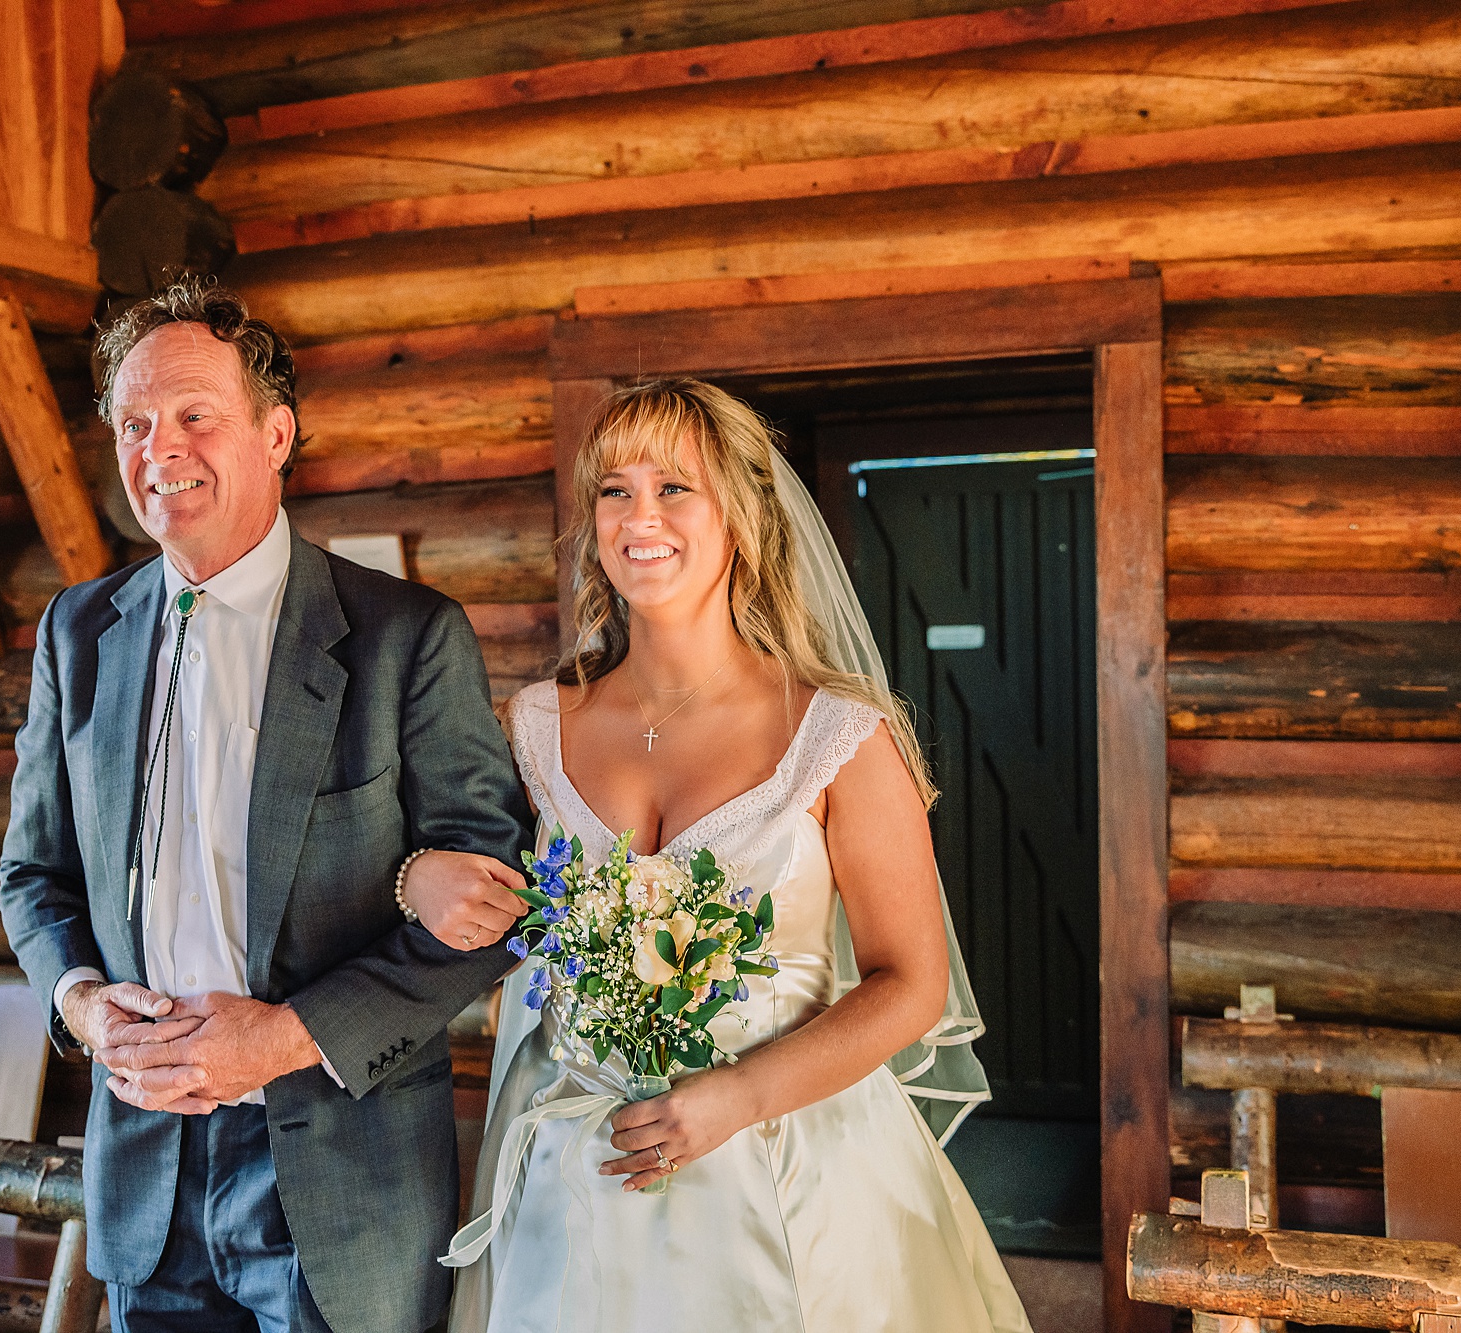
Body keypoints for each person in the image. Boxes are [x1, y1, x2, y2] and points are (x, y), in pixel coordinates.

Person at [404, 379, 1033, 1332]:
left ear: (740, 514)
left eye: (674, 488)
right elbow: (485, 899)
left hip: (792, 1169)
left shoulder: (840, 736)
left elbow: (912, 983)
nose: (639, 516)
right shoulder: (535, 725)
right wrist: (414, 876)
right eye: (613, 491)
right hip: (577, 1177)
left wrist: (739, 1096)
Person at [0, 276, 532, 1333]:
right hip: (144, 1171)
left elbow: (493, 906)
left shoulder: (403, 635)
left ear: (275, 432)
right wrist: (80, 1004)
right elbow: (33, 874)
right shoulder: (76, 633)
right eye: (135, 424)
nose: (162, 449)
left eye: (195, 415)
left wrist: (285, 1036)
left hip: (344, 1176)